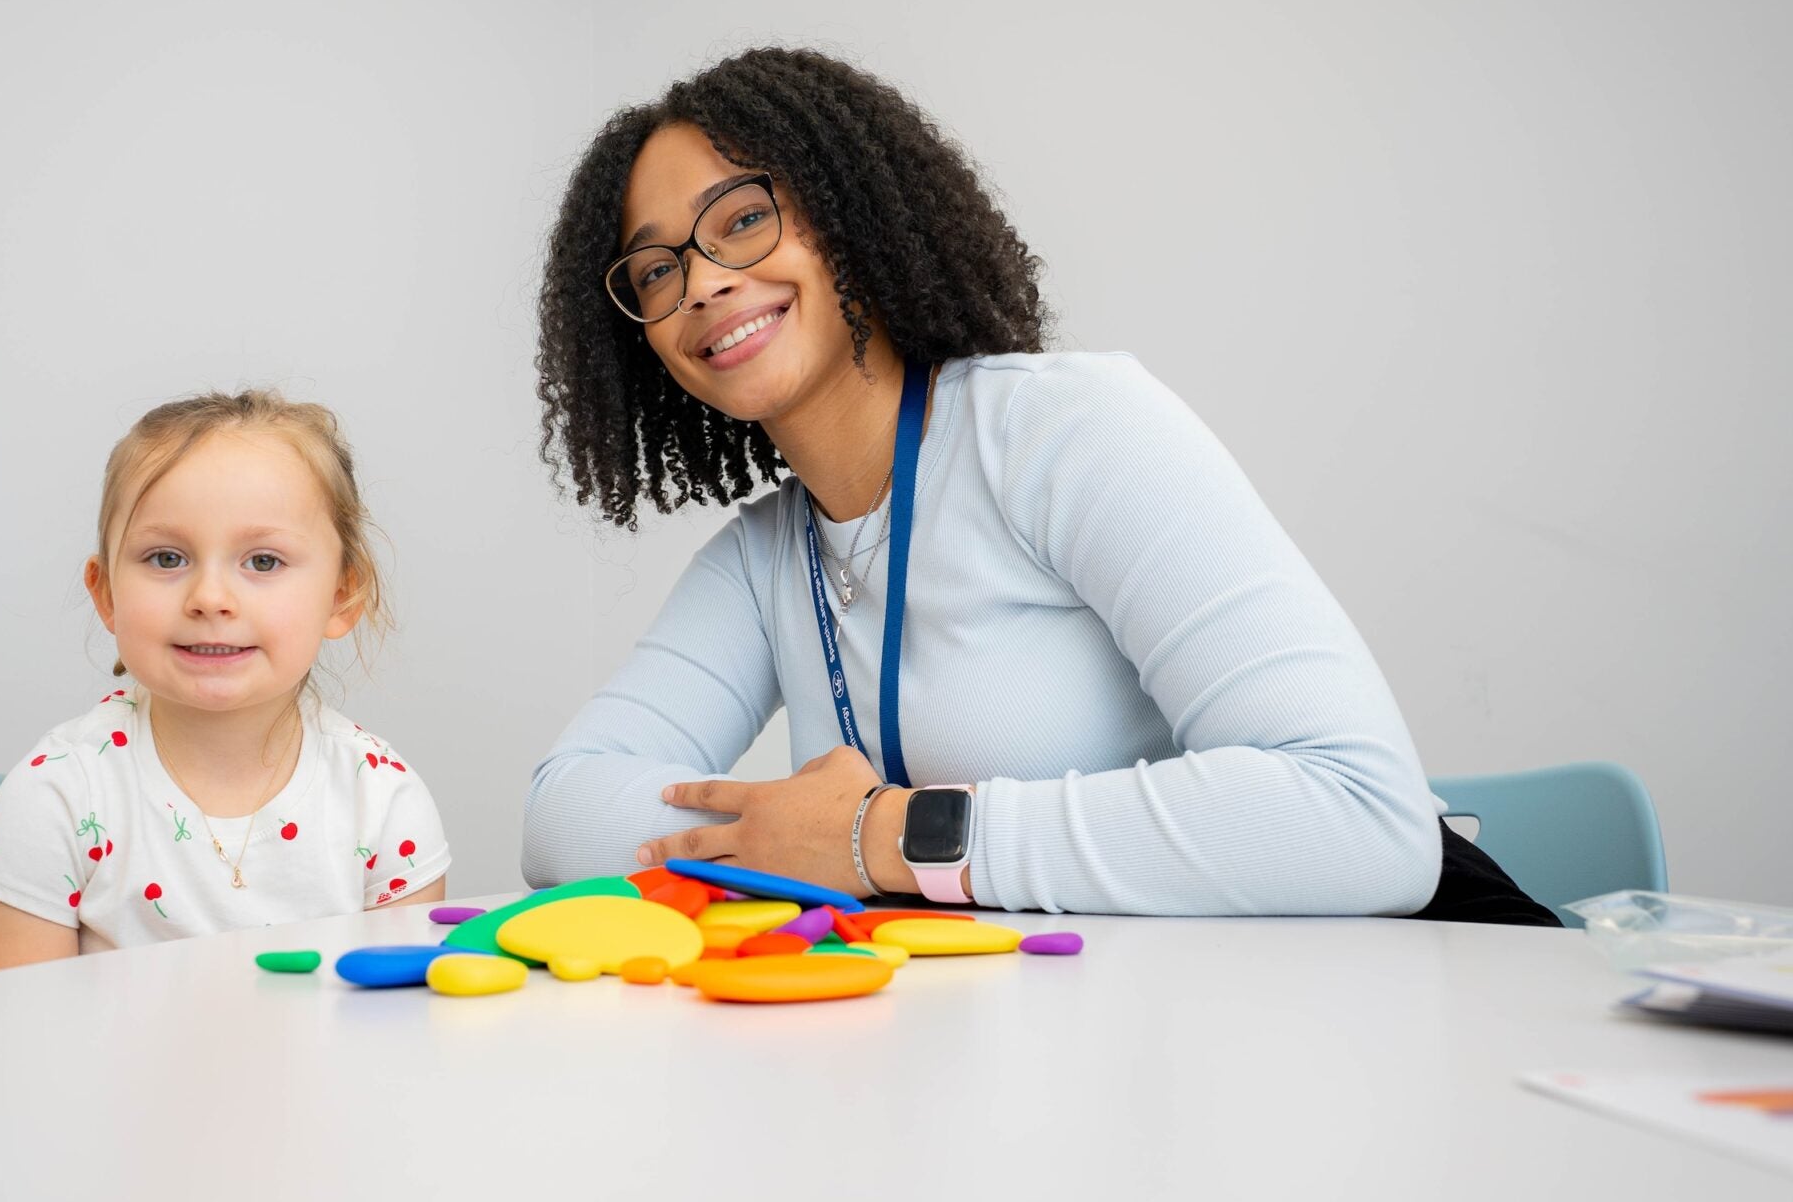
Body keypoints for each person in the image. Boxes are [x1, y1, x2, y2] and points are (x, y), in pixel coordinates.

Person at [522, 47, 1553, 924]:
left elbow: (1357, 812)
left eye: (741, 219)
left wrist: (879, 835)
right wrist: (786, 836)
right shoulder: (761, 558)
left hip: (1373, 1020)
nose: (700, 280)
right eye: (654, 270)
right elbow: (560, 816)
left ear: (848, 216)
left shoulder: (1062, 431)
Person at [0, 390, 450, 972]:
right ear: (106, 594)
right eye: (167, 559)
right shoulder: (57, 797)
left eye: (263, 562)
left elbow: (398, 1037)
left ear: (342, 596)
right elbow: (16, 1038)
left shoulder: (383, 803)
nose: (210, 599)